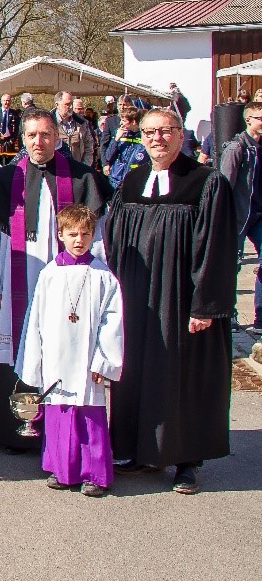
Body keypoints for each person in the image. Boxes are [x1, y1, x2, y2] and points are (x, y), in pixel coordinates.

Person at [105, 107, 236, 494]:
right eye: (149, 132)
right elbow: (112, 240)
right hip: (136, 299)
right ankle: (135, 449)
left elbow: (215, 249)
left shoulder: (205, 183)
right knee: (135, 373)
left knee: (179, 376)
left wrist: (204, 306)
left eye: (165, 131)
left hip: (179, 301)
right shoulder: (131, 183)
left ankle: (185, 461)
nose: (156, 139)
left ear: (182, 135)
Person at [0, 108, 111, 452]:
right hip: (22, 287)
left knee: (68, 349)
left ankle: (65, 433)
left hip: (71, 289)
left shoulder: (82, 179)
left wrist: (98, 279)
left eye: (46, 135)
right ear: (22, 139)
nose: (39, 142)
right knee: (17, 348)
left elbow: (98, 237)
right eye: (32, 135)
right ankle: (11, 428)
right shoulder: (6, 180)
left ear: (58, 138)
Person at [16, 205, 124, 497]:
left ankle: (95, 475)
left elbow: (112, 321)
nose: (79, 240)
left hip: (89, 359)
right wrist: (34, 363)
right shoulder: (49, 274)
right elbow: (35, 319)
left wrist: (104, 361)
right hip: (57, 357)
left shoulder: (103, 275)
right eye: (72, 234)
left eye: (85, 234)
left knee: (89, 416)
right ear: (61, 234)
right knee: (59, 414)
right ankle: (62, 470)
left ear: (93, 236)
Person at [220, 101, 262, 332]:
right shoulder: (237, 148)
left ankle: (261, 317)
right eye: (260, 118)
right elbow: (224, 183)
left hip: (258, 214)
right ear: (249, 120)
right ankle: (229, 314)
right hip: (237, 215)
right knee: (230, 265)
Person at [101, 107, 149, 189]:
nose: (120, 123)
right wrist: (116, 140)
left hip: (137, 181)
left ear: (133, 122)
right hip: (117, 180)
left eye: (124, 120)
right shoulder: (120, 134)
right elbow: (108, 156)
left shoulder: (145, 136)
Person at [54, 91, 92, 164]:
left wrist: (85, 166)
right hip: (56, 169)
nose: (71, 107)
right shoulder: (48, 122)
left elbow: (89, 146)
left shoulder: (82, 123)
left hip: (78, 169)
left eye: (71, 104)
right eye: (67, 104)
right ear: (57, 105)